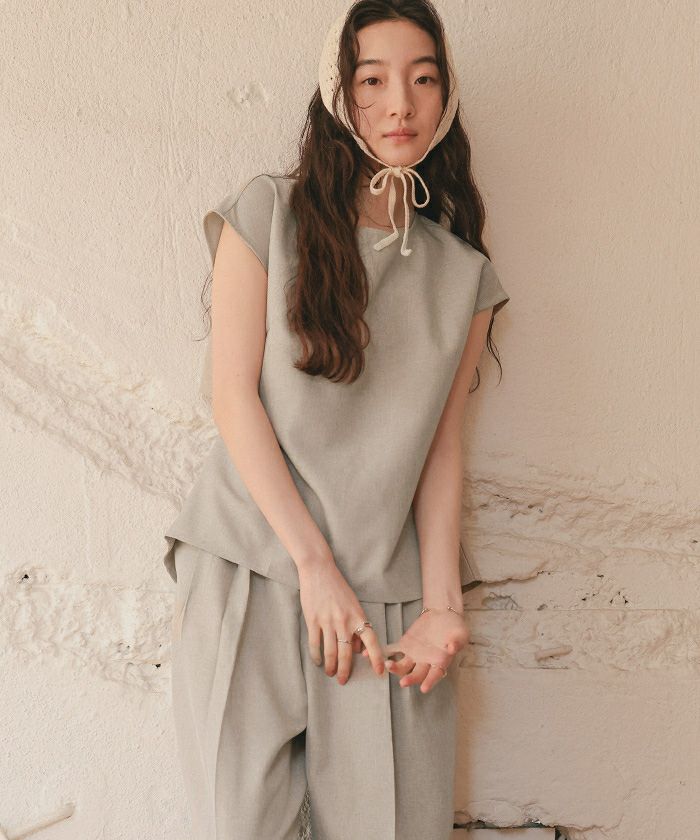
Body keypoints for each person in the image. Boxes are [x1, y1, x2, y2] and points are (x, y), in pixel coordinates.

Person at [163, 1, 510, 838]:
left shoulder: (463, 277)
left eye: (423, 79)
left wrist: (443, 608)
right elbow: (232, 397)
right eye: (372, 80)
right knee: (238, 825)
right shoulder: (266, 214)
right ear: (337, 91)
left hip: (389, 596)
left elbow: (439, 448)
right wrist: (311, 564)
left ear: (446, 97)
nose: (401, 105)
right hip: (253, 563)